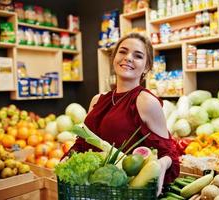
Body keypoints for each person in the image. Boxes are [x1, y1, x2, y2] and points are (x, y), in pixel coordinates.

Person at [66, 32, 179, 195]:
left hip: (127, 192)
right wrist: (68, 158)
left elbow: (169, 153)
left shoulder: (146, 102)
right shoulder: (97, 100)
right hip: (92, 189)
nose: (128, 58)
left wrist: (161, 165)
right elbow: (84, 143)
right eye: (123, 52)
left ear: (146, 67)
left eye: (138, 56)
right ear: (114, 58)